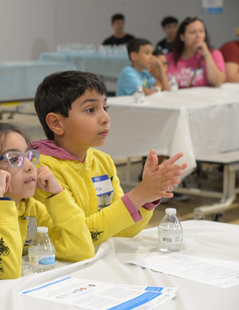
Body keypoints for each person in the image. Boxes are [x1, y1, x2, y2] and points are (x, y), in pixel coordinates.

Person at [32, 71, 187, 246]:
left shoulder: (102, 161)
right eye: (90, 110)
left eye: (105, 108)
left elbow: (121, 230)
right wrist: (138, 195)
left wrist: (146, 198)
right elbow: (79, 238)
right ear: (56, 123)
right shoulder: (42, 171)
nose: (106, 118)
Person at [0, 123, 93, 279]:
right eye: (14, 158)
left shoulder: (31, 208)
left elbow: (82, 249)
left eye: (29, 156)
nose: (30, 166)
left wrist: (57, 195)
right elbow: (7, 270)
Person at [166, 16, 225, 88]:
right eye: (192, 32)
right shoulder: (169, 58)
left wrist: (206, 55)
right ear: (182, 37)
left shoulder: (214, 54)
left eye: (201, 31)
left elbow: (217, 82)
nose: (198, 36)